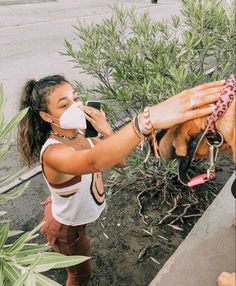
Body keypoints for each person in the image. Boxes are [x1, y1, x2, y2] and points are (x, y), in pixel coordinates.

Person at [18, 74, 225, 286]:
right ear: (46, 116)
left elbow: (119, 162)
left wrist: (106, 130)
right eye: (64, 105)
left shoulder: (80, 133)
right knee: (80, 276)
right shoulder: (53, 153)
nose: (77, 107)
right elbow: (93, 161)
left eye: (75, 98)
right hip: (67, 228)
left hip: (69, 213)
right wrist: (144, 122)